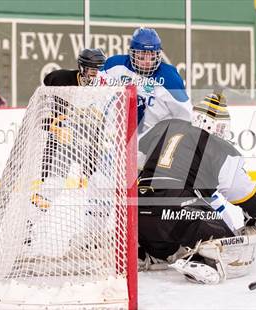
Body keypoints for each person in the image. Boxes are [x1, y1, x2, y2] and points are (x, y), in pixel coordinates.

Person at [137, 92, 256, 284]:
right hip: (178, 211)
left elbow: (134, 163)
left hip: (138, 209)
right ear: (218, 126)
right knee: (228, 241)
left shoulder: (165, 127)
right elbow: (241, 192)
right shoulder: (217, 145)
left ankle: (150, 252)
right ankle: (204, 261)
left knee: (168, 234)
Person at [32, 48, 108, 210]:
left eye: (99, 70)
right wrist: (51, 122)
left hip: (89, 143)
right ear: (82, 68)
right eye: (92, 70)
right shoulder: (61, 79)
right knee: (52, 185)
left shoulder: (106, 87)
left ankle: (94, 228)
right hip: (61, 142)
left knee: (100, 182)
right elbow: (41, 103)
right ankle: (30, 225)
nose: (96, 74)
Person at [103, 27, 192, 135]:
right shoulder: (114, 65)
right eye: (141, 57)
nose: (147, 62)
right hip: (118, 136)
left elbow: (186, 116)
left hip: (154, 140)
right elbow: (96, 85)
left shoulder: (170, 78)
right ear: (133, 54)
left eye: (152, 56)